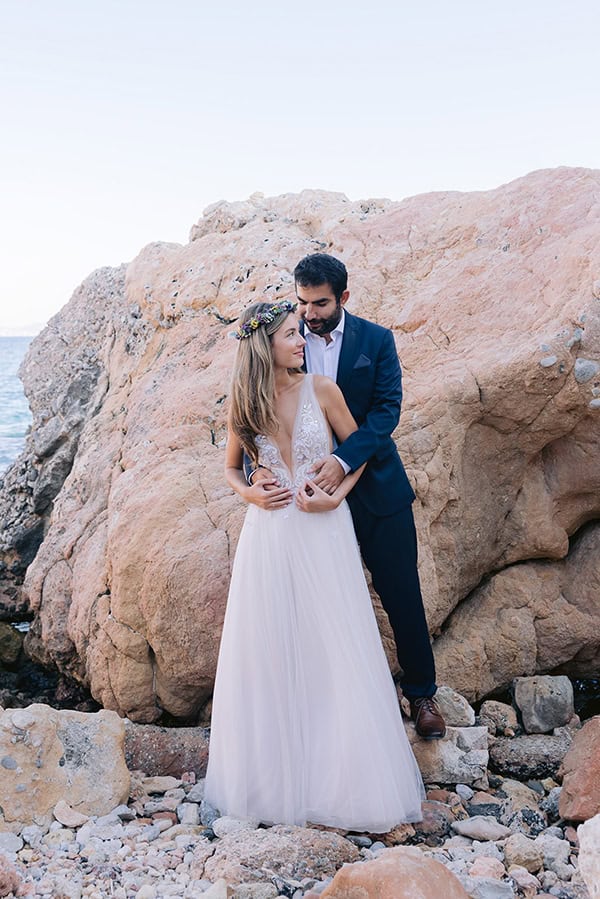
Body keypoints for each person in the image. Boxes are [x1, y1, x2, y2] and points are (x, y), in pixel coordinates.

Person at [204, 299, 425, 832]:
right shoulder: (243, 403)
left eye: (300, 332)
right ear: (266, 347)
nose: (302, 340)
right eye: (290, 334)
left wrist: (336, 497)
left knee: (333, 645)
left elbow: (363, 454)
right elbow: (232, 470)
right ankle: (273, 782)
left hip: (323, 529)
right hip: (269, 535)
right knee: (272, 647)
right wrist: (249, 497)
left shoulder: (322, 390)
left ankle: (340, 781)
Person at [248, 254, 446, 740]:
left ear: (343, 298)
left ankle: (422, 695)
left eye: (320, 303)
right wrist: (258, 473)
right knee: (312, 600)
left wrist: (341, 461)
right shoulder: (287, 339)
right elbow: (258, 417)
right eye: (303, 303)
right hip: (303, 498)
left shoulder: (376, 341)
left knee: (401, 592)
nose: (310, 314)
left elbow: (386, 412)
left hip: (375, 487)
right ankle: (320, 707)